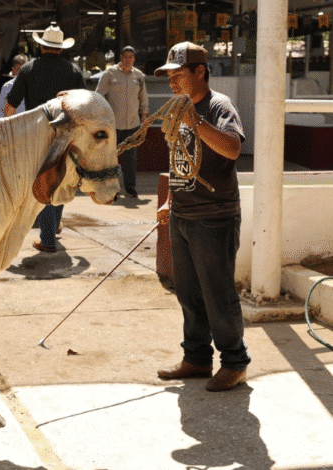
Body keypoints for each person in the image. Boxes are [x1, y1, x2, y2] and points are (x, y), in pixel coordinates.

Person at [154, 42, 250, 392]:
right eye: (169, 77)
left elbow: (233, 148)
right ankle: (196, 357)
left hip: (214, 216)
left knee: (218, 293)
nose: (173, 83)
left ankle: (235, 362)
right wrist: (170, 202)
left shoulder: (218, 106)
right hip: (183, 212)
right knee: (189, 293)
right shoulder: (179, 109)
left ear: (200, 72)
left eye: (179, 75)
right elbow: (180, 157)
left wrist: (196, 122)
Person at [4, 23, 86, 253]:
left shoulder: (28, 69)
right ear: (60, 49)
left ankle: (47, 236)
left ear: (41, 47)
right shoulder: (73, 71)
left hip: (35, 135)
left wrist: (8, 131)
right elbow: (83, 105)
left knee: (40, 183)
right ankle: (50, 231)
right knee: (57, 181)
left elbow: (10, 104)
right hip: (65, 135)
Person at [95, 46, 149, 197]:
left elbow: (143, 98)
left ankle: (130, 187)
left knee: (131, 158)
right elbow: (99, 95)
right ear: (121, 57)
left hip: (133, 124)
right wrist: (102, 116)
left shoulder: (139, 76)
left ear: (134, 59)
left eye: (131, 57)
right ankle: (112, 188)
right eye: (126, 57)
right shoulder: (109, 74)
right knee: (111, 157)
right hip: (113, 124)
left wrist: (144, 116)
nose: (128, 60)